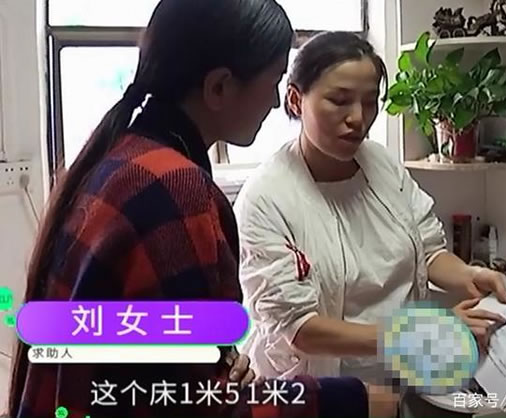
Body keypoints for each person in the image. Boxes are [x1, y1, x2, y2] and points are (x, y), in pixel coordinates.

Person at [9, 2, 399, 417]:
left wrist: (218, 363)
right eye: (272, 82)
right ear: (219, 88)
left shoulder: (128, 158)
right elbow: (198, 406)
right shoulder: (173, 189)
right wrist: (349, 399)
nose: (274, 103)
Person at [234, 31, 506, 383]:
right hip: (324, 388)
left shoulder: (381, 163)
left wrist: (469, 275)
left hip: (403, 371)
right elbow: (300, 328)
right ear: (295, 99)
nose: (358, 118)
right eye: (339, 100)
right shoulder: (266, 199)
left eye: (369, 102)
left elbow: (428, 250)